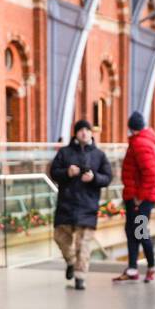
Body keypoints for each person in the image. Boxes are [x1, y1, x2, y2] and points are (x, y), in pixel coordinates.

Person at [49, 120, 112, 290]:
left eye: (87, 129)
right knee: (59, 237)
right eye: (81, 130)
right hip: (66, 204)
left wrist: (94, 178)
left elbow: (108, 177)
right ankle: (71, 261)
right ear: (75, 133)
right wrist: (67, 173)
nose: (84, 132)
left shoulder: (99, 155)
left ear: (91, 133)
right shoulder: (64, 152)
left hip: (87, 205)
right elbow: (53, 172)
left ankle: (80, 277)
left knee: (83, 244)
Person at [115, 111, 155, 283]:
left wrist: (139, 198)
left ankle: (152, 268)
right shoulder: (141, 141)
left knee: (140, 232)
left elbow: (150, 173)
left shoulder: (140, 143)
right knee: (132, 232)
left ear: (131, 128)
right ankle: (133, 268)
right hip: (136, 197)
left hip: (140, 199)